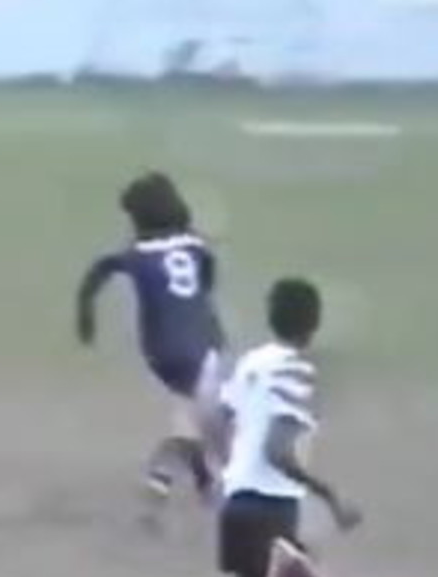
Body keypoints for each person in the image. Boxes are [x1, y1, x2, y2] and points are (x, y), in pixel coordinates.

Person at [75, 171, 226, 530]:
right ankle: (160, 476)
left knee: (190, 409)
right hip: (201, 345)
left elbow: (97, 272)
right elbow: (208, 275)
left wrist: (85, 314)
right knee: (200, 420)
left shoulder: (136, 254)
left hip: (158, 349)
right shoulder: (195, 246)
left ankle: (205, 483)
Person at [213, 278, 361, 577]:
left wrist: (231, 473)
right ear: (315, 323)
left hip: (236, 505)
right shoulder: (296, 371)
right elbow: (277, 451)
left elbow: (220, 421)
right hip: (271, 507)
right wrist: (330, 496)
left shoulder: (251, 362)